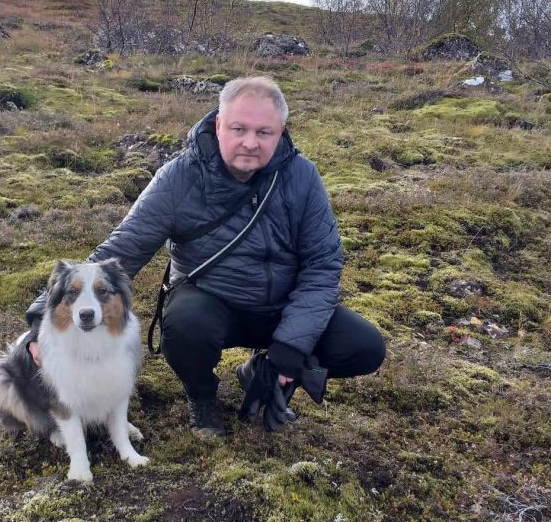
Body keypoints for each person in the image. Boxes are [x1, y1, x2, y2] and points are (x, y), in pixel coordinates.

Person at [26, 76, 385, 438]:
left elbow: (322, 265)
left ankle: (261, 370)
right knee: (184, 326)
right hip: (212, 304)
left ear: (281, 132)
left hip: (282, 307)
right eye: (238, 129)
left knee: (364, 348)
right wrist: (42, 320)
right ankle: (202, 397)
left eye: (264, 132)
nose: (250, 142)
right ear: (218, 125)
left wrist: (291, 349)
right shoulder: (178, 179)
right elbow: (119, 252)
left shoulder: (302, 176)